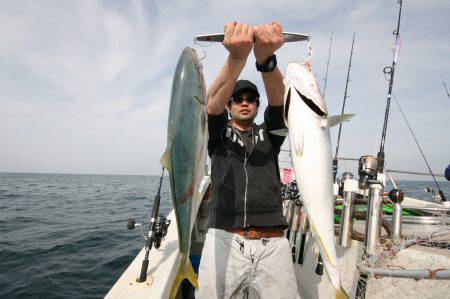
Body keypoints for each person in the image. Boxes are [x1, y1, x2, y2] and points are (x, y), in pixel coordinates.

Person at [195, 21, 299, 299]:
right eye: (238, 98)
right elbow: (210, 107)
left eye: (251, 99)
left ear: (256, 106)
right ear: (230, 106)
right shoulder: (217, 135)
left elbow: (280, 105)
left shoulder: (271, 135)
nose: (245, 102)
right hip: (224, 238)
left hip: (273, 243)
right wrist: (237, 58)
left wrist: (265, 60)